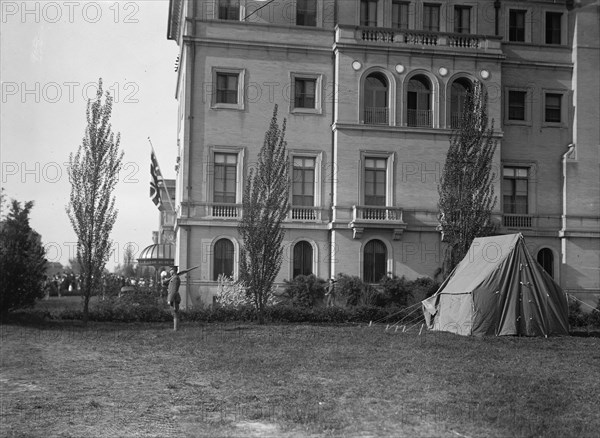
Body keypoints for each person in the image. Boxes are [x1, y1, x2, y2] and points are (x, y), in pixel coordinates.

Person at [163, 265, 182, 331]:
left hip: (174, 298)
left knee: (175, 313)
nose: (170, 271)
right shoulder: (173, 278)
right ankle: (176, 328)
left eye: (171, 270)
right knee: (174, 313)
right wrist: (166, 280)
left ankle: (176, 328)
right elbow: (165, 285)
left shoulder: (175, 279)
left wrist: (170, 299)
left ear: (173, 271)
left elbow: (173, 290)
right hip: (173, 297)